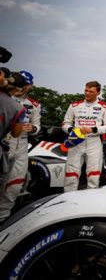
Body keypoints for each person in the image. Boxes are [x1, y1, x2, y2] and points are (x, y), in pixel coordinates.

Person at [0, 71, 41, 220]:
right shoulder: (4, 98)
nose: (23, 88)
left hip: (23, 144)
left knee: (15, 184)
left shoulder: (34, 105)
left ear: (30, 86)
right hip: (5, 141)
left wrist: (33, 129)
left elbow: (37, 126)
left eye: (26, 85)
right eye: (21, 84)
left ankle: (2, 218)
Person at [62, 81, 106, 192]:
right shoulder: (74, 106)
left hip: (94, 142)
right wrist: (72, 130)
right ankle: (67, 201)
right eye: (86, 90)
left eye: (91, 91)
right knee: (71, 174)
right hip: (76, 142)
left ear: (98, 92)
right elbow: (65, 124)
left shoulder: (105, 107)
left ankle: (89, 202)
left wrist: (93, 129)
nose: (87, 93)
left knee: (93, 175)